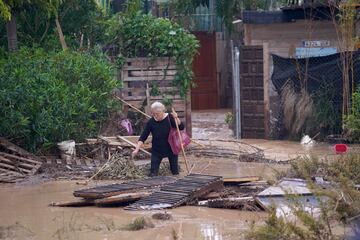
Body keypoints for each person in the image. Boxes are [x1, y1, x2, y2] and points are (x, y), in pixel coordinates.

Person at [132, 101, 184, 176]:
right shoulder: (151, 122)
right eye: (153, 114)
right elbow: (143, 137)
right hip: (157, 150)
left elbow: (181, 127)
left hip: (171, 148)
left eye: (157, 114)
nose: (155, 116)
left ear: (163, 111)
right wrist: (136, 149)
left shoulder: (170, 118)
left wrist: (176, 118)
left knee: (174, 171)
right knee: (153, 172)